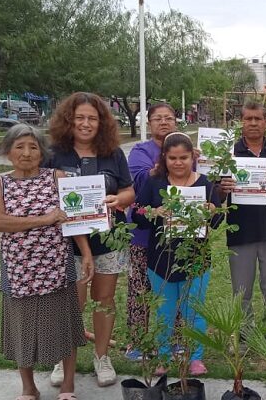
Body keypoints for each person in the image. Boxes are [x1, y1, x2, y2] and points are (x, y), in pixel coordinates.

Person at [0, 124, 95, 400]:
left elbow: (75, 217)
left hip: (57, 267)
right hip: (18, 270)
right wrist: (44, 219)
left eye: (33, 147)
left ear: (42, 152)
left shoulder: (57, 177)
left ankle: (68, 385)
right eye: (19, 147)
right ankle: (28, 387)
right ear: (7, 152)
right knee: (21, 329)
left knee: (66, 325)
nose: (26, 153)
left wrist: (86, 253)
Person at [45, 92, 135, 387]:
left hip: (109, 240)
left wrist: (117, 198)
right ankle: (63, 358)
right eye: (80, 118)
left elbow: (129, 192)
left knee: (104, 300)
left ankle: (101, 357)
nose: (86, 124)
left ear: (102, 122)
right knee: (73, 302)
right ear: (69, 120)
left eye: (92, 118)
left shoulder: (112, 153)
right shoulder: (54, 154)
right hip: (68, 243)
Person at [132, 133, 222, 377]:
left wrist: (212, 210)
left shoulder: (205, 183)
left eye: (184, 157)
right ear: (165, 158)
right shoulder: (155, 183)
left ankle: (195, 358)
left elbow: (217, 220)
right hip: (161, 259)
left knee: (194, 309)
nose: (178, 162)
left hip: (196, 259)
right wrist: (154, 211)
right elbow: (137, 216)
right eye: (172, 158)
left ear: (193, 157)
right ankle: (162, 355)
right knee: (165, 311)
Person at [219, 102, 266, 335]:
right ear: (241, 122)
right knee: (241, 287)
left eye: (258, 119)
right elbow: (217, 196)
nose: (253, 123)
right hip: (240, 229)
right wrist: (224, 187)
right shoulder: (228, 154)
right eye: (248, 119)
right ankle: (245, 329)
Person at [125, 103, 178, 360]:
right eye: (158, 118)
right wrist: (173, 161)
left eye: (169, 118)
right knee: (140, 288)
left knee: (175, 287)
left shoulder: (185, 150)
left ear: (176, 122)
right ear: (149, 123)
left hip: (177, 233)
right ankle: (138, 342)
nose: (164, 122)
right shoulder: (140, 151)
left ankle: (174, 340)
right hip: (144, 233)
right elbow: (142, 180)